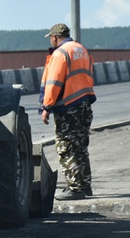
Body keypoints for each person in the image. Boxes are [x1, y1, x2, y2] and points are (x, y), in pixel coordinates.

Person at [39, 23, 96, 200]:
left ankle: (75, 188)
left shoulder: (60, 53)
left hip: (68, 105)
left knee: (67, 147)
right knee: (80, 146)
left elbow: (54, 82)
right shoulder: (81, 49)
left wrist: (46, 107)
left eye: (51, 38)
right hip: (85, 102)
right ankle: (85, 185)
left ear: (55, 37)